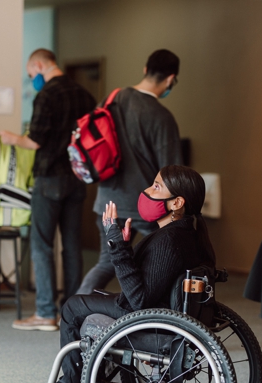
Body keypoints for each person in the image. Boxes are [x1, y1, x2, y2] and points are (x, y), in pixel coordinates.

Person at [55, 165, 216, 383]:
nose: (148, 191)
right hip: (161, 312)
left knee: (72, 307)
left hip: (150, 320)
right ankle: (100, 376)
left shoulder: (169, 240)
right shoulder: (182, 234)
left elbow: (139, 300)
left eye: (157, 187)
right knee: (91, 300)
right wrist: (125, 247)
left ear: (177, 203)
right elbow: (149, 281)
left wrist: (117, 246)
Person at [0, 48, 96, 331]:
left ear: (39, 65)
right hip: (78, 178)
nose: (33, 81)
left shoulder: (47, 95)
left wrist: (12, 138)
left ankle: (44, 313)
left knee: (42, 245)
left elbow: (35, 140)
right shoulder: (85, 95)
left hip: (50, 178)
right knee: (72, 245)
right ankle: (75, 310)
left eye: (32, 75)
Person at [76, 49, 184, 295]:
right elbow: (172, 172)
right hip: (148, 206)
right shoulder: (161, 116)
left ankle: (74, 312)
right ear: (171, 79)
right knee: (166, 263)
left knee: (106, 263)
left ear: (145, 70)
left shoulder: (111, 99)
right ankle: (164, 318)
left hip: (108, 202)